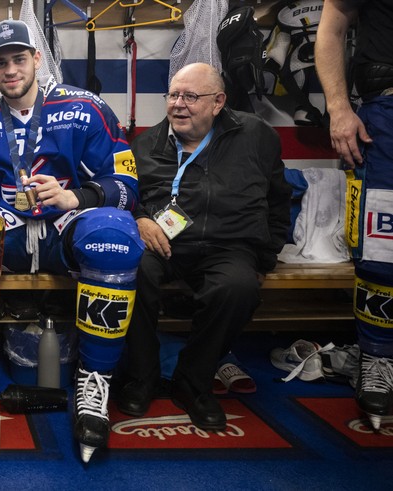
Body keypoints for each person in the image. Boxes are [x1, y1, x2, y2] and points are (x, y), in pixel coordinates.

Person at [0, 20, 144, 463]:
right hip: (7, 226)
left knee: (113, 235)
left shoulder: (88, 107)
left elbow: (127, 184)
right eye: (1, 62)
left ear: (37, 60)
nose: (11, 70)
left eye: (19, 59)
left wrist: (74, 196)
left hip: (66, 221)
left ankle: (94, 381)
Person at [116, 63, 290, 431]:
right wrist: (141, 218)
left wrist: (267, 254)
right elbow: (126, 197)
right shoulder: (145, 144)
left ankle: (192, 383)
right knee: (130, 272)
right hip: (163, 244)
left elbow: (278, 196)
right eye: (174, 95)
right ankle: (142, 377)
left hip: (229, 244)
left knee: (238, 287)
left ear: (218, 102)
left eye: (190, 97)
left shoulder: (256, 135)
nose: (178, 104)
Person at [316, 0, 393, 430]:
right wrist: (339, 108)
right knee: (381, 248)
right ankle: (378, 359)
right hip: (385, 113)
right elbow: (332, 25)